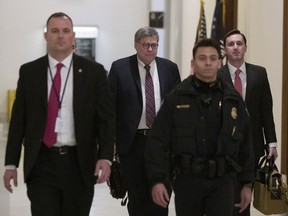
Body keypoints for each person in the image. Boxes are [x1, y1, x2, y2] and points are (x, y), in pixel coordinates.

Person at [3, 12, 115, 216]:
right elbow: (19, 120)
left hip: (79, 164)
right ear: (46, 36)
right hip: (41, 162)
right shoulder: (30, 72)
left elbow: (106, 120)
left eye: (65, 31)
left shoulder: (94, 72)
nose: (60, 36)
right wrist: (11, 163)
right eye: (55, 31)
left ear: (73, 36)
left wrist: (105, 157)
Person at [145, 38, 255, 216]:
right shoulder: (177, 98)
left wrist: (247, 184)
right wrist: (158, 180)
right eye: (202, 58)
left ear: (220, 63)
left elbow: (246, 145)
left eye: (213, 58)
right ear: (193, 63)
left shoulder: (232, 99)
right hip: (188, 181)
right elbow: (157, 141)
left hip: (223, 181)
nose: (208, 63)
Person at [108, 26, 180, 216]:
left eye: (154, 45)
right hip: (133, 144)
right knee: (137, 198)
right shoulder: (120, 68)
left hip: (162, 144)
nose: (150, 49)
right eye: (145, 45)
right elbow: (110, 108)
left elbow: (178, 108)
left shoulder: (169, 69)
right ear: (136, 45)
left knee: (161, 196)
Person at [219, 29, 278, 216]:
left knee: (245, 197)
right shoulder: (217, 75)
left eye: (239, 43)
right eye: (231, 44)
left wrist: (272, 143)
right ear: (225, 50)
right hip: (223, 147)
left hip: (251, 146)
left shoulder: (259, 74)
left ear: (245, 48)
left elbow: (266, 111)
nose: (235, 48)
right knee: (226, 197)